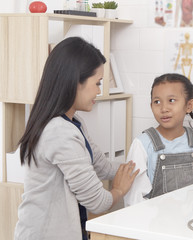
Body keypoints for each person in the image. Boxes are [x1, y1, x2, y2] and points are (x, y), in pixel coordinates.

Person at [14, 37, 139, 240]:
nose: (99, 90)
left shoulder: (73, 122)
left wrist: (140, 165)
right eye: (97, 83)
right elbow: (97, 202)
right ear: (75, 81)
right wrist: (119, 190)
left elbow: (102, 166)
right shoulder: (58, 132)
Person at [124, 73, 193, 206]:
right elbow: (134, 200)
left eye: (171, 100)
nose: (163, 108)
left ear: (189, 105)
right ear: (151, 106)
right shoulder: (142, 145)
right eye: (157, 102)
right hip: (153, 223)